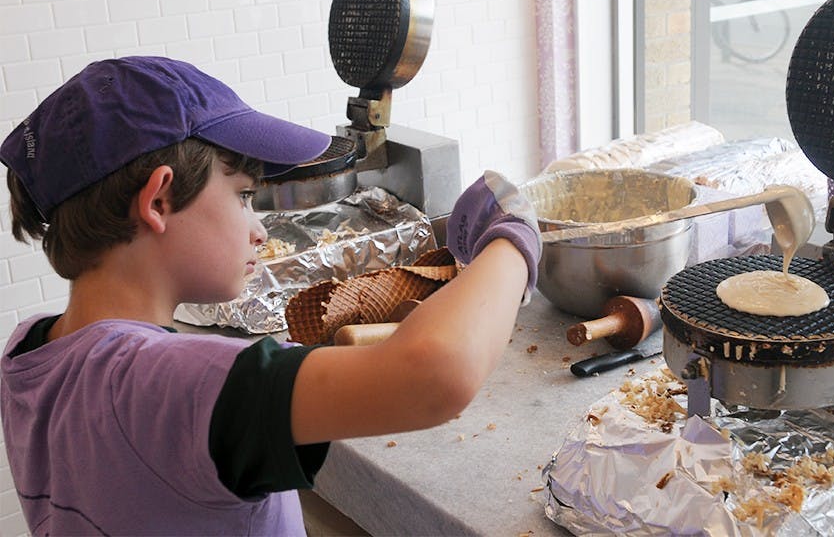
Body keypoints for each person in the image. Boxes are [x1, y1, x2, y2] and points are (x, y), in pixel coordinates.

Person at [0, 56, 542, 535]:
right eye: (243, 198)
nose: (258, 229)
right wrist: (512, 240)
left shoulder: (29, 352)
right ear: (159, 201)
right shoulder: (171, 385)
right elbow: (434, 376)